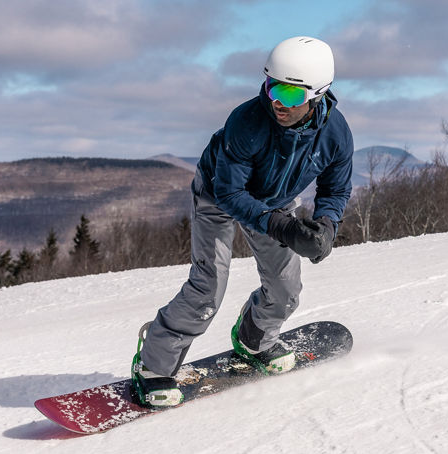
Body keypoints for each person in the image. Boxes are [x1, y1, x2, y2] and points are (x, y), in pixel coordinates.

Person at [131, 36, 354, 407]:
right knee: (208, 289)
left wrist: (327, 227)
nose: (278, 102)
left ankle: (255, 338)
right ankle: (153, 367)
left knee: (286, 288)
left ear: (318, 95)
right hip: (217, 195)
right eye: (271, 88)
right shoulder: (247, 121)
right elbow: (230, 194)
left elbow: (335, 190)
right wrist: (282, 227)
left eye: (292, 95)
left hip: (275, 202)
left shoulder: (336, 135)